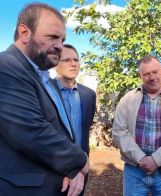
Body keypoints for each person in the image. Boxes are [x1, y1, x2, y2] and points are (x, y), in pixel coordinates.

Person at [0, 3, 89, 195]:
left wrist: (71, 171)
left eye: (62, 39)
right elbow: (31, 131)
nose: (59, 46)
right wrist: (79, 161)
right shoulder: (0, 67)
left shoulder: (43, 79)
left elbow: (59, 131)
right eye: (52, 37)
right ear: (24, 33)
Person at [112, 55, 161, 195]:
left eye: (155, 72)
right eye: (146, 74)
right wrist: (141, 158)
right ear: (140, 76)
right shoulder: (128, 99)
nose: (152, 77)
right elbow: (119, 131)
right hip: (134, 170)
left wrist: (156, 159)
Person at [55, 44, 96, 188]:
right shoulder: (44, 91)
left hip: (80, 170)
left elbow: (85, 129)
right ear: (55, 65)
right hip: (53, 170)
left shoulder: (89, 95)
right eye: (66, 60)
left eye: (76, 60)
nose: (73, 64)